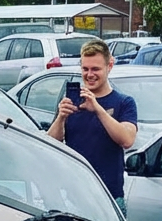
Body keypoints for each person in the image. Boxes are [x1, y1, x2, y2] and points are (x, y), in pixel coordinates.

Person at [46, 38, 138, 210]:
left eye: (96, 69)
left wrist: (97, 109)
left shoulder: (124, 102)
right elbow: (50, 144)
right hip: (74, 194)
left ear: (109, 66)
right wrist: (61, 118)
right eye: (85, 69)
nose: (90, 74)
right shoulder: (70, 101)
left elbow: (127, 140)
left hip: (108, 196)